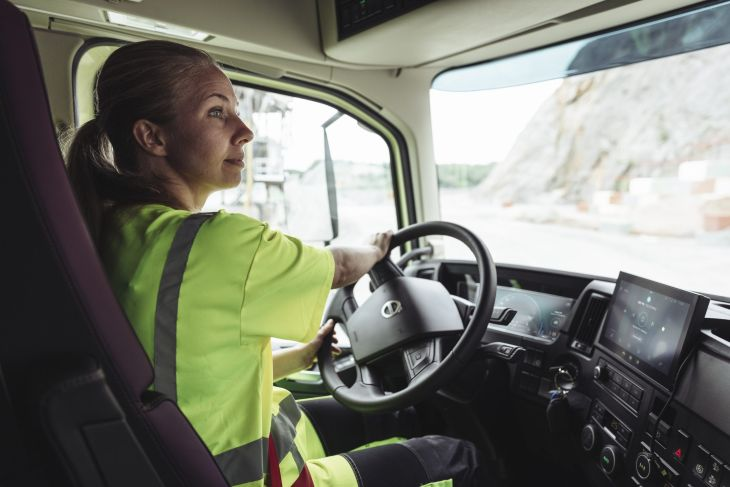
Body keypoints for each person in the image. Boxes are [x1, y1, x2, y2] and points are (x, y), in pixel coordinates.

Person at [65, 40, 487, 487]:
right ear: (153, 137)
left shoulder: (116, 230)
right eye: (216, 112)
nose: (245, 130)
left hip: (194, 456)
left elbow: (185, 366)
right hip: (253, 478)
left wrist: (302, 356)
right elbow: (342, 267)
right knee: (455, 456)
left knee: (395, 415)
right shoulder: (217, 242)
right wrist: (377, 250)